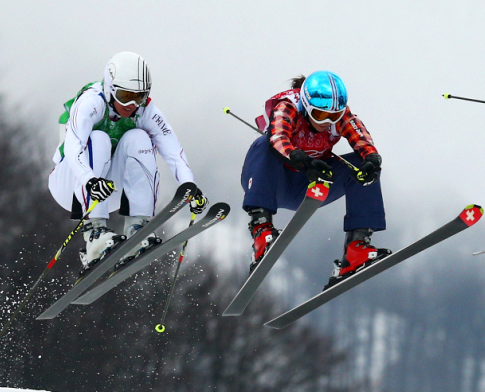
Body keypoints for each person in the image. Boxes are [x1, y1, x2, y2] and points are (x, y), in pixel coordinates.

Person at [48, 52, 206, 272]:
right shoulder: (92, 102)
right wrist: (89, 180)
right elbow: (74, 146)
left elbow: (172, 150)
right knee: (99, 138)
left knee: (140, 138)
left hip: (107, 191)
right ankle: (94, 233)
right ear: (110, 88)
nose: (132, 104)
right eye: (125, 95)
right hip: (71, 184)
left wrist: (189, 185)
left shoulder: (146, 111)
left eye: (139, 96)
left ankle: (137, 228)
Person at [241, 71, 387, 289]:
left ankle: (356, 250)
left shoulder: (341, 115)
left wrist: (372, 159)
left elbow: (360, 136)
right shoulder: (288, 107)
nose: (327, 121)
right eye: (319, 115)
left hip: (311, 184)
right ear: (306, 106)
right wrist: (303, 161)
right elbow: (278, 137)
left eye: (333, 116)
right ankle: (262, 232)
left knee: (361, 164)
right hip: (274, 182)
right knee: (263, 144)